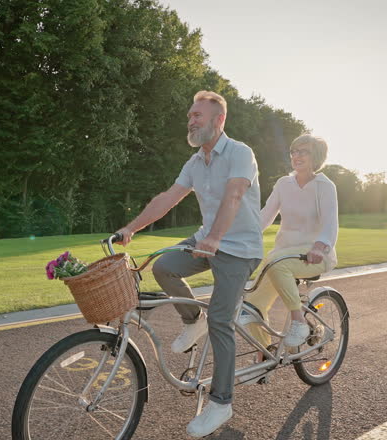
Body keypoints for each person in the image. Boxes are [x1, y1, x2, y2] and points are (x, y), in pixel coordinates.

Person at [115, 90, 263, 438]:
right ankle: (192, 320)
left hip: (239, 248)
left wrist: (214, 239)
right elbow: (168, 198)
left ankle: (221, 403)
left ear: (219, 120)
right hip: (205, 240)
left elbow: (235, 194)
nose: (191, 120)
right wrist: (130, 228)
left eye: (198, 115)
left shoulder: (240, 153)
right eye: (190, 115)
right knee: (163, 266)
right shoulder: (195, 162)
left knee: (222, 320)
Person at [243, 134, 339, 361]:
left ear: (316, 156)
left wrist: (319, 246)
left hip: (315, 254)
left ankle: (298, 322)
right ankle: (264, 355)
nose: (297, 156)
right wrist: (239, 234)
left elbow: (330, 223)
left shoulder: (325, 186)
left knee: (277, 265)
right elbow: (264, 216)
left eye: (303, 151)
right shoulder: (283, 184)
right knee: (251, 306)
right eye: (294, 151)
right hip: (282, 255)